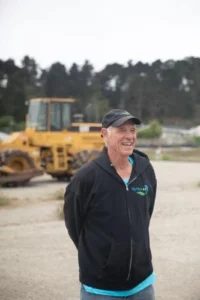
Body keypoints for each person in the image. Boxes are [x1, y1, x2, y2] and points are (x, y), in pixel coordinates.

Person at [64, 109, 157, 300]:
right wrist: (104, 257)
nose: (130, 136)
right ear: (104, 134)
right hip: (100, 288)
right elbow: (75, 226)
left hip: (143, 284)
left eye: (132, 130)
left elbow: (145, 215)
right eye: (122, 130)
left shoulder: (145, 170)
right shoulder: (86, 178)